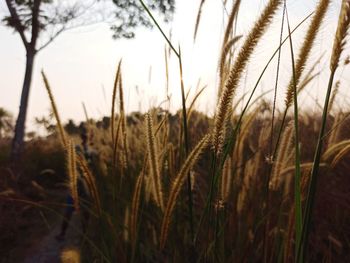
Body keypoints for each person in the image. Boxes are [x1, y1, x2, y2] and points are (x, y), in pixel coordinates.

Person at [56, 125, 91, 241]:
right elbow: (69, 154)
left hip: (87, 186)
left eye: (86, 135)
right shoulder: (76, 148)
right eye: (83, 135)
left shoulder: (90, 150)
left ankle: (85, 235)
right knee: (69, 210)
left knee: (86, 212)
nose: (84, 137)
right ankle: (62, 233)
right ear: (81, 136)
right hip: (75, 184)